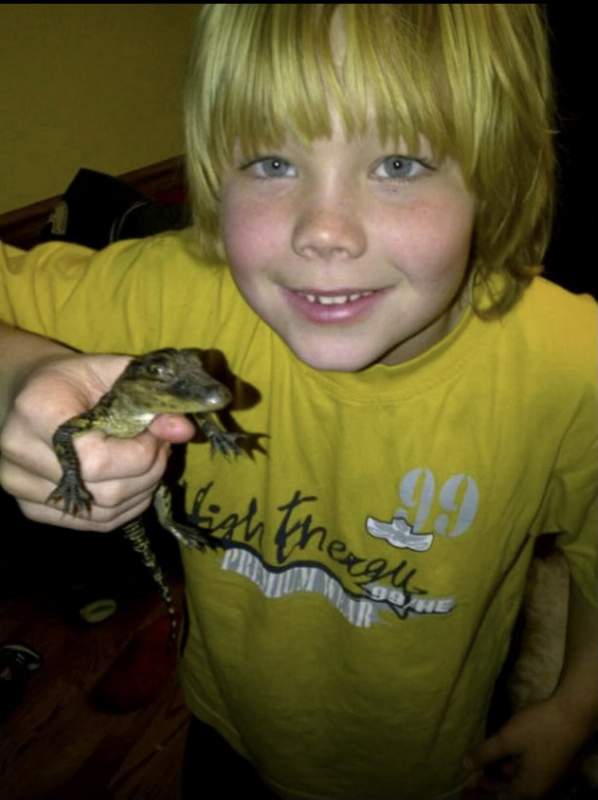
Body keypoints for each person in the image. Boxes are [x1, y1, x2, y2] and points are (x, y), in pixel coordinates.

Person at [0, 4, 596, 799]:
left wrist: (575, 706)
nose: (323, 231)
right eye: (272, 161)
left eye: (401, 162)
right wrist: (18, 371)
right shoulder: (175, 293)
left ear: (498, 173)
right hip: (220, 727)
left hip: (436, 767)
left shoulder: (573, 367)